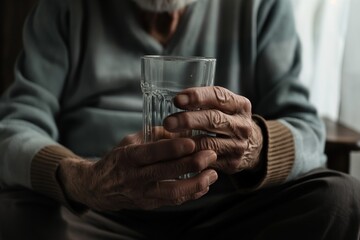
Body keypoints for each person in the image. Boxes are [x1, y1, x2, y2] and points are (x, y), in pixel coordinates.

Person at [0, 0, 359, 239]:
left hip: (225, 214)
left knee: (339, 198)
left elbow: (308, 130)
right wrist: (81, 179)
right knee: (16, 214)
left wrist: (257, 146)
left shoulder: (260, 6)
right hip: (101, 212)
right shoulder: (66, 7)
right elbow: (14, 126)